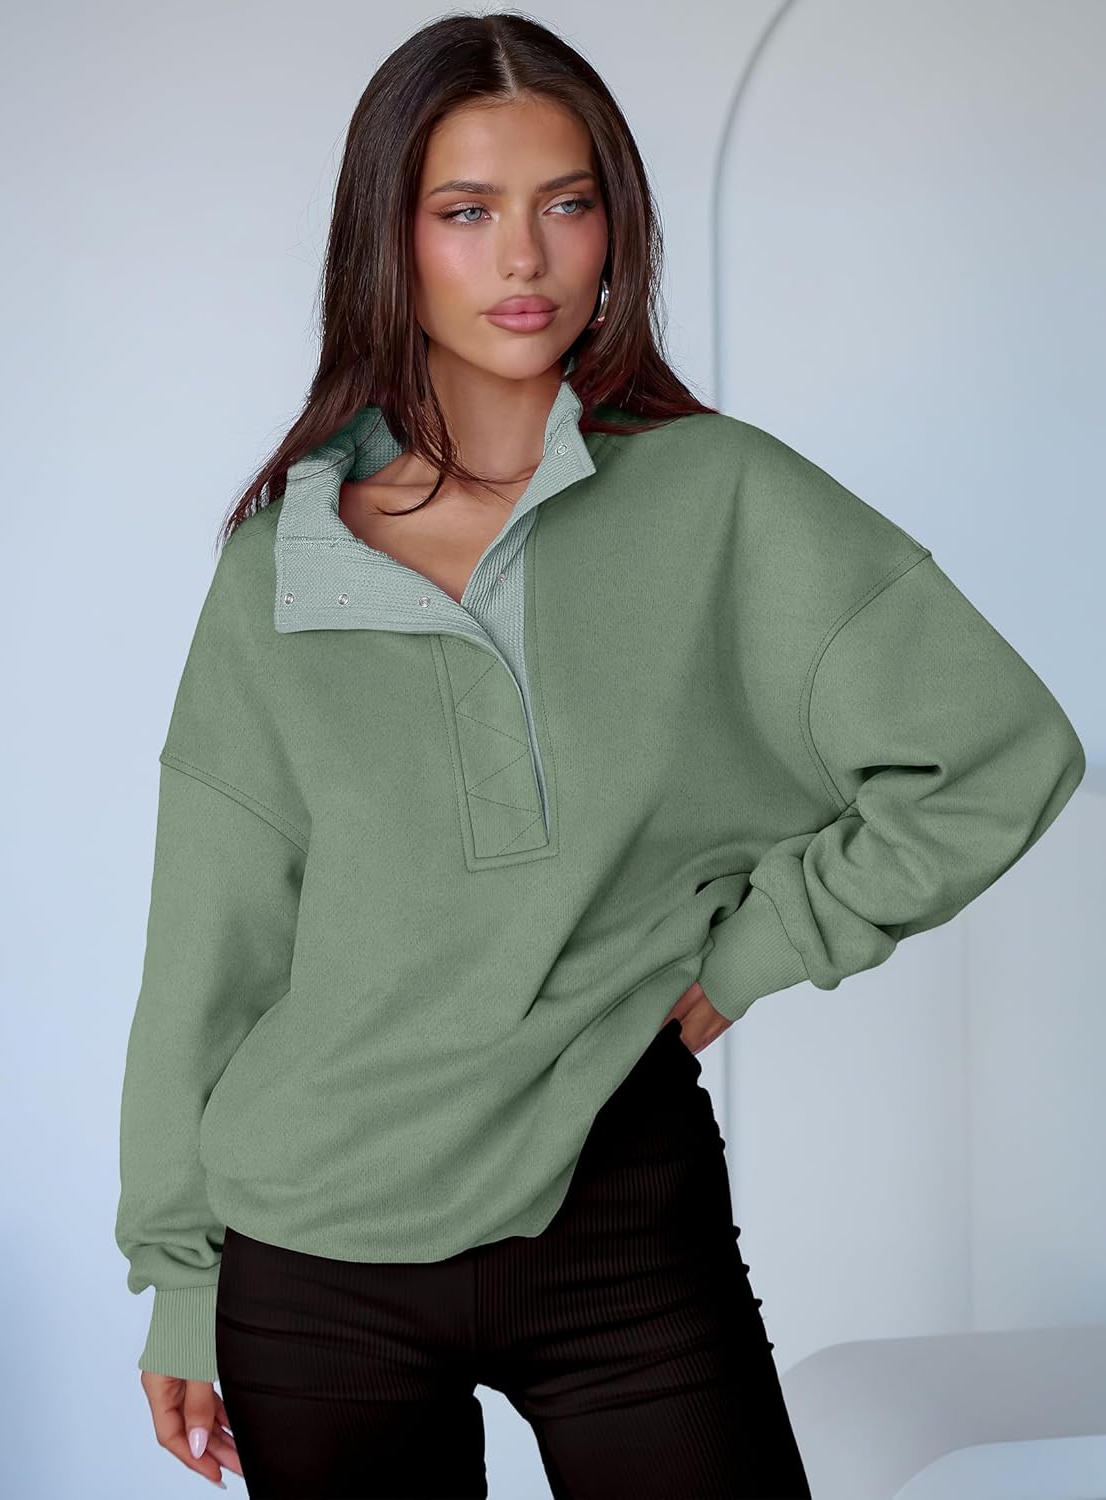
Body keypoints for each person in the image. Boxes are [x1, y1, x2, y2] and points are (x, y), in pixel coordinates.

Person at [113, 12, 1085, 1500]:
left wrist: (754, 954)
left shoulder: (722, 496)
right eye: (466, 211)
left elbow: (995, 753)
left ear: (614, 224)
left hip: (616, 1203)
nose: (525, 256)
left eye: (565, 203)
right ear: (388, 241)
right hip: (311, 1251)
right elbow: (210, 949)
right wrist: (181, 1275)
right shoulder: (280, 570)